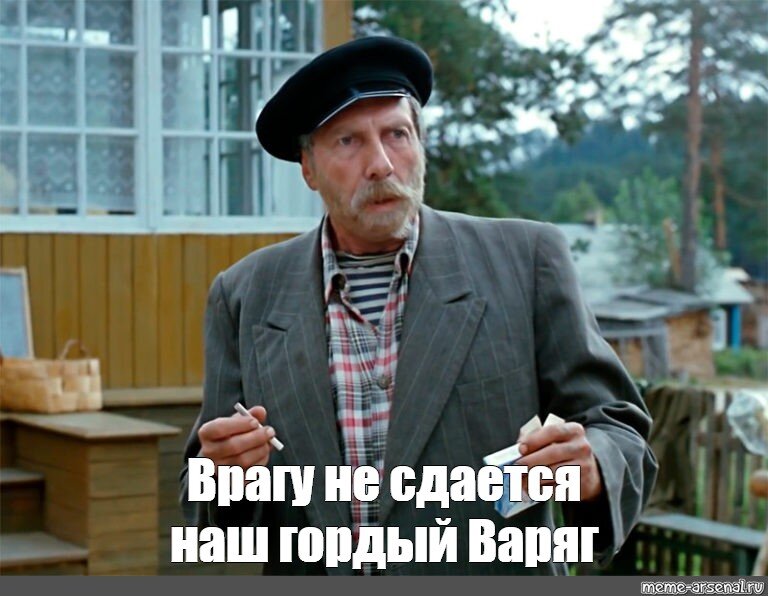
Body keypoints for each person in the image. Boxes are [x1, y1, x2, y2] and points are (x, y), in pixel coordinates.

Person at [179, 35, 658, 575]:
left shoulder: (527, 260)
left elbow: (618, 429)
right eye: (348, 142)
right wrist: (223, 477)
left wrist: (590, 466)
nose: (381, 164)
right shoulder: (245, 294)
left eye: (397, 134)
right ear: (308, 169)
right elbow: (213, 506)